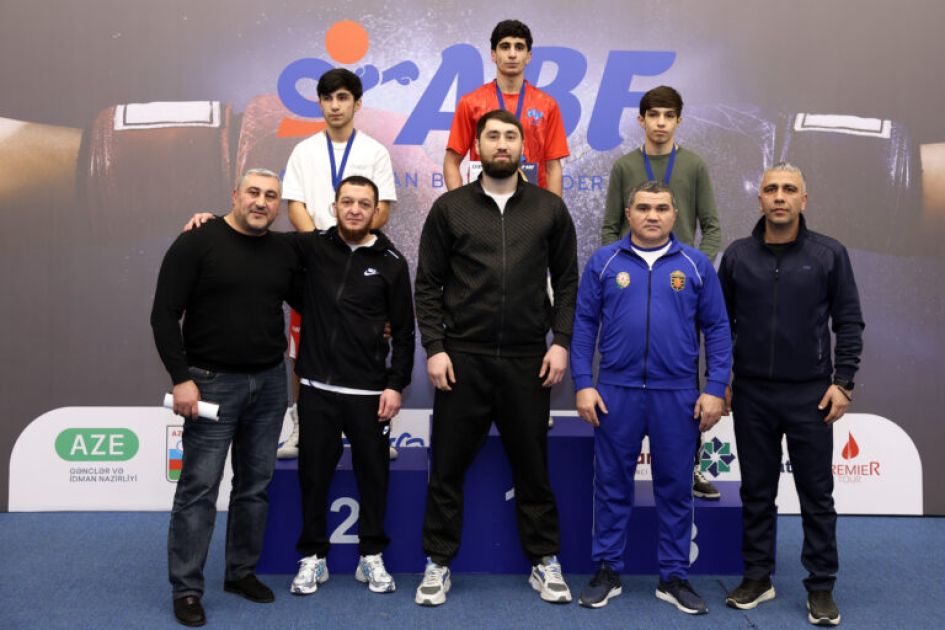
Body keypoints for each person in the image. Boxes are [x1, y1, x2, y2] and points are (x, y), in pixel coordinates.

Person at [414, 109, 578, 606]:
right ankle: (437, 563)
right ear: (477, 147)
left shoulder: (549, 209)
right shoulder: (450, 208)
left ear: (524, 147)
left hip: (528, 360)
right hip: (463, 357)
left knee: (533, 468)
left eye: (510, 136)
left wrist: (561, 341)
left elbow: (568, 282)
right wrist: (435, 348)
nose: (502, 144)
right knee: (446, 469)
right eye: (492, 136)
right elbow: (428, 285)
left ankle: (544, 560)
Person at [571, 181, 731, 613]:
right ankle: (608, 569)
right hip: (615, 392)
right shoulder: (605, 262)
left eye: (661, 208)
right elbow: (584, 324)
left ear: (675, 215)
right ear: (629, 214)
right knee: (611, 486)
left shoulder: (695, 265)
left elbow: (718, 329)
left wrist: (715, 388)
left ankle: (674, 576)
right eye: (643, 207)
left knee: (676, 488)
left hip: (676, 395)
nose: (652, 215)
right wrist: (584, 382)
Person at [150, 169, 300, 627]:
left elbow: (318, 301)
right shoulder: (197, 241)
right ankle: (187, 589)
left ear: (278, 206)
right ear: (235, 195)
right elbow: (163, 315)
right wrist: (181, 379)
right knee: (199, 489)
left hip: (270, 383)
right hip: (211, 384)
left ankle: (240, 573)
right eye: (253, 192)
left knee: (255, 486)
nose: (261, 202)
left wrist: (378, 324)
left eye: (271, 196)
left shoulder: (284, 251)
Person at [718, 162, 864, 626]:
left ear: (804, 198)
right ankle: (757, 578)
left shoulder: (828, 254)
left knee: (817, 495)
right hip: (751, 395)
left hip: (811, 396)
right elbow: (719, 326)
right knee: (756, 492)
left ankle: (821, 587)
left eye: (789, 189)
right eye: (771, 189)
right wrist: (719, 380)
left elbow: (849, 321)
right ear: (759, 197)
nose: (779, 196)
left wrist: (843, 382)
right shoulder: (737, 256)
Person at [288, 175, 414, 596]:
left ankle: (371, 556)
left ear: (377, 211)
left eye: (364, 203)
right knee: (313, 476)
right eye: (347, 202)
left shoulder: (392, 262)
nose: (355, 209)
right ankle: (313, 557)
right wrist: (211, 219)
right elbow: (256, 241)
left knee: (373, 477)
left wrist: (395, 385)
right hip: (316, 389)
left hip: (369, 393)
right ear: (334, 206)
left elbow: (405, 332)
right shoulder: (311, 248)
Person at [599, 85, 724, 500]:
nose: (660, 123)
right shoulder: (624, 166)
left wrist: (696, 269)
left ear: (679, 121)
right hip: (633, 280)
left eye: (669, 116)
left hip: (680, 285)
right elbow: (610, 227)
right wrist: (617, 268)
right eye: (653, 115)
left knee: (685, 370)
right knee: (628, 360)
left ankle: (690, 465)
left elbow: (712, 226)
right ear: (641, 120)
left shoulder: (694, 164)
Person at [278, 68, 398, 459]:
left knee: (369, 340)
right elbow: (295, 205)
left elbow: (382, 208)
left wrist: (351, 240)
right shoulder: (304, 151)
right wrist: (323, 247)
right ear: (319, 103)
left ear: (357, 104)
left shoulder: (375, 152)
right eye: (328, 98)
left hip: (362, 258)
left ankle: (377, 427)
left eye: (343, 97)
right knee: (303, 345)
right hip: (316, 263)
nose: (335, 106)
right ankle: (301, 425)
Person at [443, 19, 569, 195]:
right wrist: (462, 206)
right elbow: (451, 162)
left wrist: (553, 211)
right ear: (493, 55)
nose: (512, 54)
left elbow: (553, 168)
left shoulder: (547, 105)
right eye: (505, 47)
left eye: (519, 47)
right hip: (482, 205)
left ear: (528, 56)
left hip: (532, 205)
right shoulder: (471, 103)